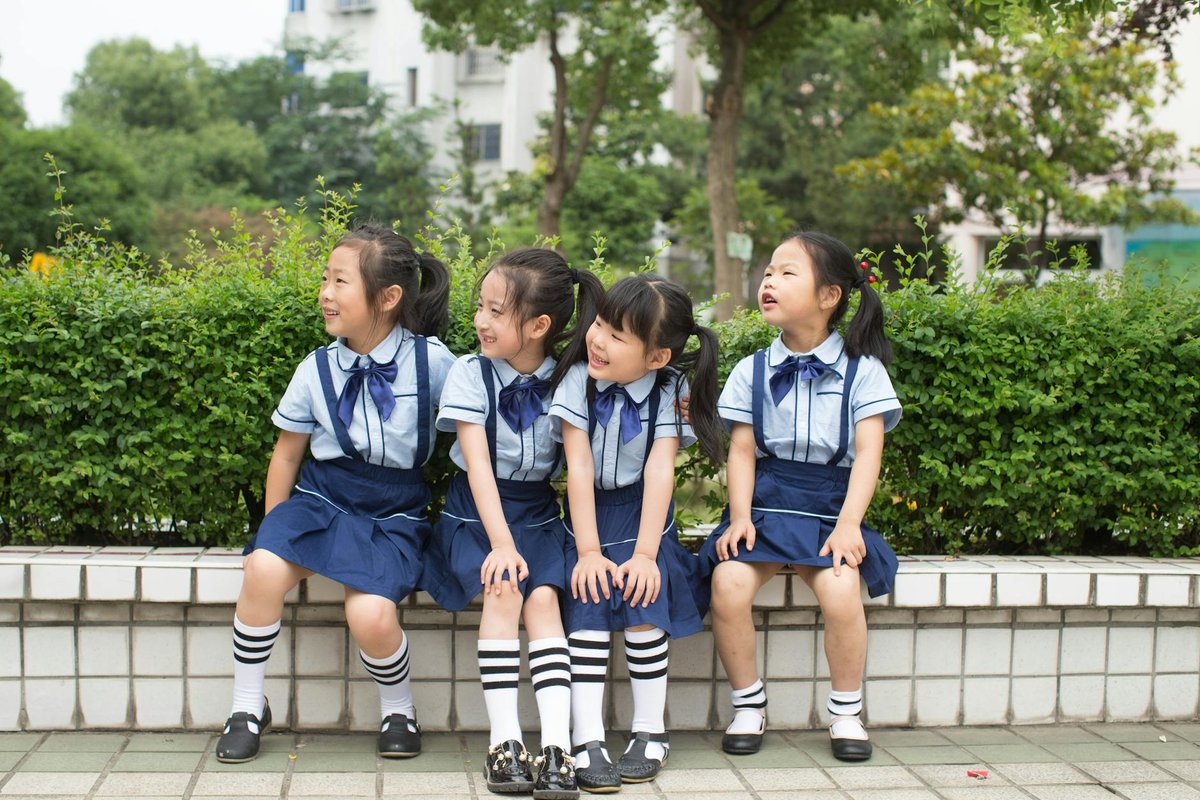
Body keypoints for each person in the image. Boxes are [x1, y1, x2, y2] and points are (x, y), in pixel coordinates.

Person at [215, 225, 455, 763]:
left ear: (388, 298)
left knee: (370, 614)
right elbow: (286, 453)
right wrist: (275, 531)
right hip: (322, 499)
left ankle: (399, 709)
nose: (325, 291)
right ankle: (247, 706)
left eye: (340, 280)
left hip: (394, 511)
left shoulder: (431, 363)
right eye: (325, 278)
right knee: (262, 569)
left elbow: (478, 422)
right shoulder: (316, 368)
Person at [700, 231, 901, 762]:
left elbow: (868, 455)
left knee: (840, 589)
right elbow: (741, 452)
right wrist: (740, 516)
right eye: (768, 271)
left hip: (831, 510)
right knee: (728, 581)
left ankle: (846, 712)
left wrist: (850, 525)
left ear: (829, 296)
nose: (769, 280)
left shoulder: (863, 372)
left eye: (787, 273)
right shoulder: (752, 370)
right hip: (765, 507)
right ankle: (749, 703)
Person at [423, 248, 603, 799]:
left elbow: (578, 467)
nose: (480, 320)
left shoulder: (568, 380)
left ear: (538, 325)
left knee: (545, 600)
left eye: (496, 311)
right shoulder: (468, 372)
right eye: (481, 306)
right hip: (475, 516)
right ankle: (504, 743)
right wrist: (500, 544)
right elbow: (477, 466)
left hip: (537, 514)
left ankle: (555, 747)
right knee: (504, 590)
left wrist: (590, 549)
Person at [549, 275, 723, 793]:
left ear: (657, 357)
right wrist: (587, 551)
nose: (597, 339)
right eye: (599, 324)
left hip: (646, 521)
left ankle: (650, 730)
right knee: (588, 605)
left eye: (617, 335)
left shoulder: (672, 390)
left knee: (645, 603)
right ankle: (588, 737)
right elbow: (577, 468)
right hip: (587, 519)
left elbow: (660, 471)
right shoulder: (577, 379)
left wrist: (647, 554)